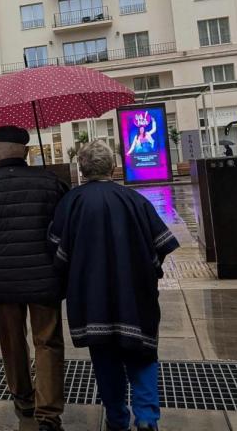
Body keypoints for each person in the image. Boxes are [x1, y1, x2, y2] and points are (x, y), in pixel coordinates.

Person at [48, 141, 180, 431]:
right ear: (114, 167)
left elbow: (58, 253)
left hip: (91, 297)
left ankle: (117, 419)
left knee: (105, 359)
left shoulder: (72, 202)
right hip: (134, 295)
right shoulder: (134, 200)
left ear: (81, 170)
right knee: (142, 354)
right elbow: (162, 244)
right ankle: (146, 418)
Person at [0, 126, 70, 431]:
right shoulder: (52, 184)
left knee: (12, 342)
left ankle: (24, 399)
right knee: (48, 342)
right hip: (45, 281)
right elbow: (65, 233)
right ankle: (49, 414)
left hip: (3, 283)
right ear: (26, 151)